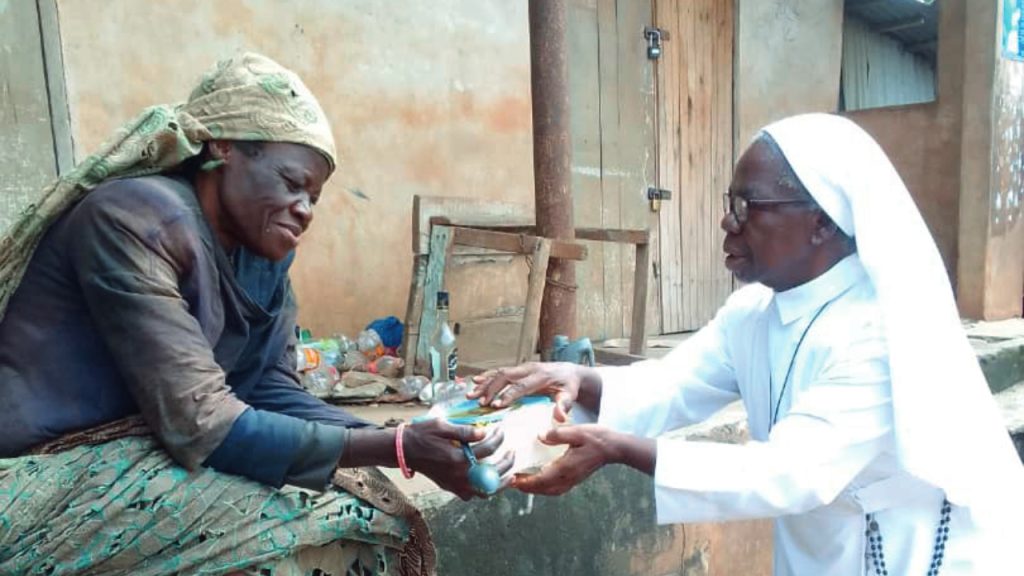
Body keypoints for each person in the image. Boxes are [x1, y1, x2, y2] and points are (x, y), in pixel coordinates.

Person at [0, 53, 510, 576]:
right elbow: (204, 426)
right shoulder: (137, 221)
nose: (305, 210)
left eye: (313, 197)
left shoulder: (261, 258)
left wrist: (412, 438)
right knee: (302, 525)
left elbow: (267, 386)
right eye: (291, 183)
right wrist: (397, 446)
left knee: (375, 513)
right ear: (223, 147)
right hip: (47, 464)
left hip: (146, 447)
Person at [470, 114, 1024, 575]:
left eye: (747, 207)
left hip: (917, 552)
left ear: (821, 224)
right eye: (728, 202)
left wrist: (618, 448)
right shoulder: (756, 311)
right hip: (822, 545)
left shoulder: (880, 334)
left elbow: (790, 472)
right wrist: (579, 380)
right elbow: (676, 383)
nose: (726, 222)